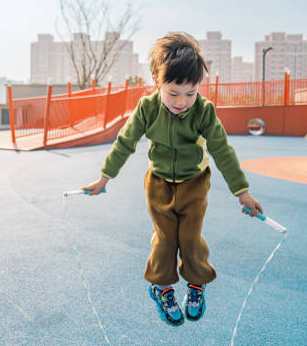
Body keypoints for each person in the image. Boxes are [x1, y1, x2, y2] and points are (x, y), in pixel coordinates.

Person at [82, 32, 263, 325]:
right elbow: (125, 142)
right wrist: (104, 178)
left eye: (190, 93)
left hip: (194, 182)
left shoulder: (204, 111)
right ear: (157, 82)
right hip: (159, 183)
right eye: (173, 93)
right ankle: (163, 287)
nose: (182, 102)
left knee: (190, 239)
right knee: (166, 240)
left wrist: (242, 191)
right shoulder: (147, 109)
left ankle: (195, 284)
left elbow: (221, 149)